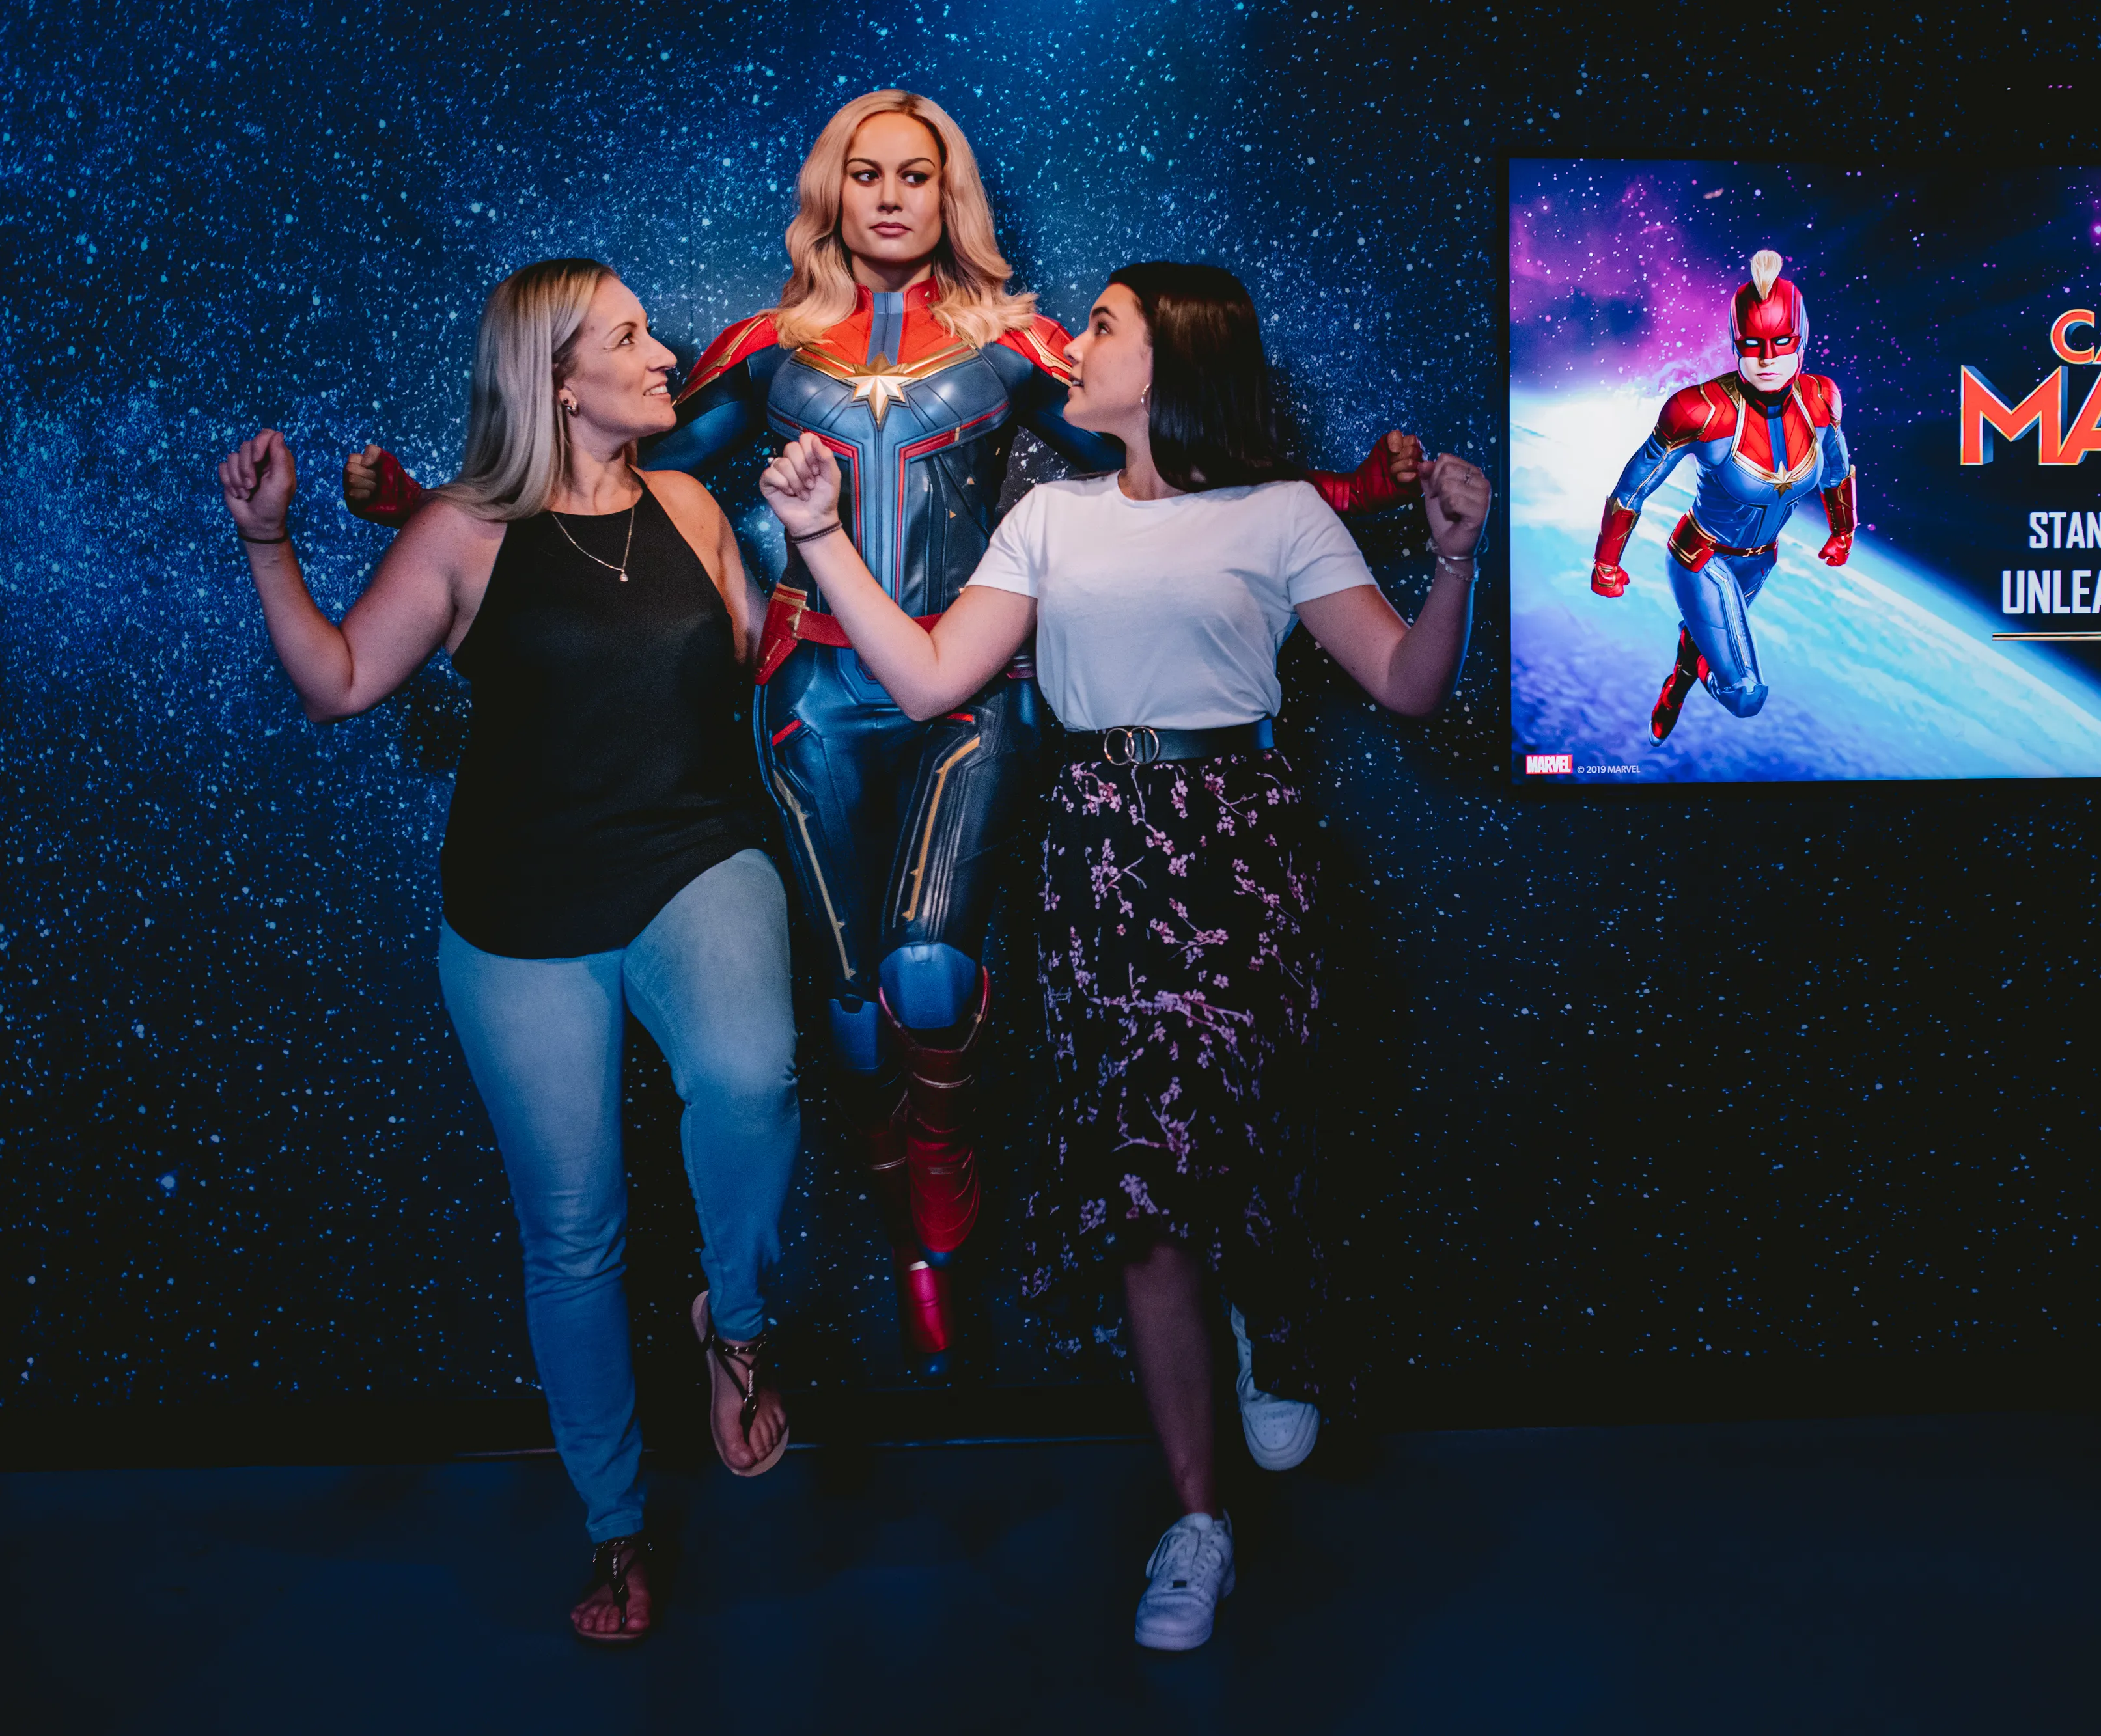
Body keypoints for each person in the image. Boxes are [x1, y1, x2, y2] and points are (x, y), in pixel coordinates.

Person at [340, 91, 1423, 1373]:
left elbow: (1177, 447)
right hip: (809, 691)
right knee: (850, 1010)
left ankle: (943, 1152)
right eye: (867, 174)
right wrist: (419, 502)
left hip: (963, 681)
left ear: (947, 192)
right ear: (832, 193)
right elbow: (582, 458)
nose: (893, 195)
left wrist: (1349, 493)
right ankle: (893, 1177)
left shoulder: (1019, 344)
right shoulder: (761, 347)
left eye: (918, 173)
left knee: (924, 973)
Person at [754, 261, 1490, 1651]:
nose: (1069, 345)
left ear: (1172, 358)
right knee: (1142, 1188)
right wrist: (819, 533)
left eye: (1100, 325)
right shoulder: (1049, 514)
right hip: (1099, 845)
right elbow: (923, 679)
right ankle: (1195, 1519)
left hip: (1240, 847)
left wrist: (1451, 559)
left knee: (1246, 1129)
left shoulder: (1275, 515)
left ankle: (1272, 1315)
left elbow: (1404, 684)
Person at [218, 258, 800, 1645]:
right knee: (574, 1233)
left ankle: (737, 1317)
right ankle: (613, 1531)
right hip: (519, 910)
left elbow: (748, 676)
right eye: (628, 338)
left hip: (690, 857)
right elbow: (341, 685)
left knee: (750, 1076)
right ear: (555, 378)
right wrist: (270, 542)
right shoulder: (467, 533)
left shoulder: (690, 505)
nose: (665, 352)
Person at [1587, 247, 1857, 737]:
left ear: (1802, 341)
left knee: (1702, 637)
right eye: (1754, 344)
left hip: (1759, 560)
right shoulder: (1703, 411)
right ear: (1736, 343)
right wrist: (1606, 559)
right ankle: (1698, 680)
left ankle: (1681, 682)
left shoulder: (1820, 400)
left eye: (1782, 342)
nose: (1769, 358)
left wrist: (1844, 529)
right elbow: (1634, 486)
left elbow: (1837, 470)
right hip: (1701, 555)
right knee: (1746, 695)